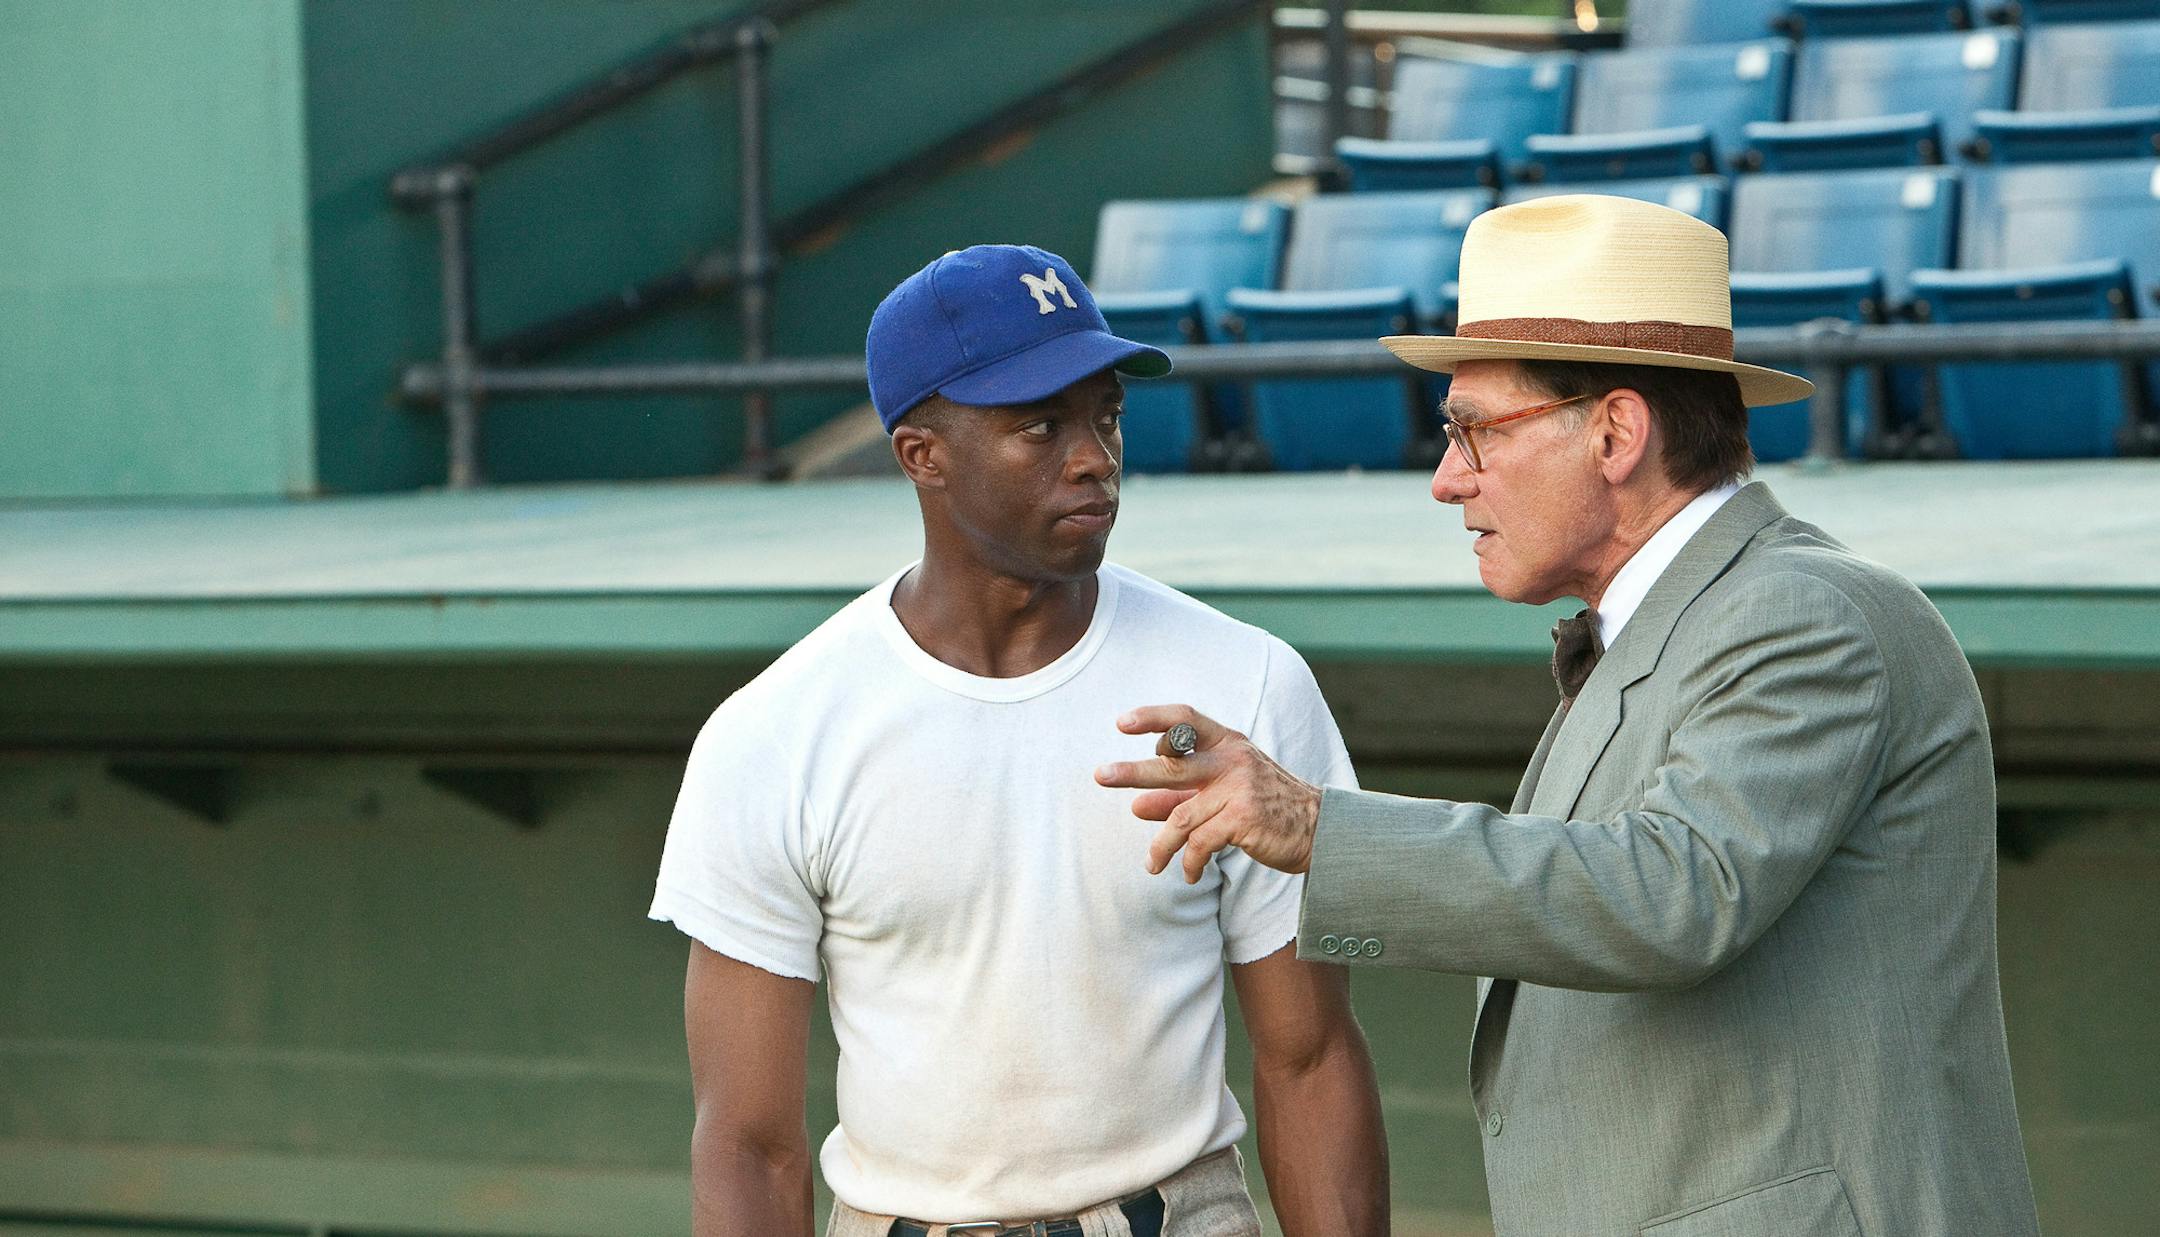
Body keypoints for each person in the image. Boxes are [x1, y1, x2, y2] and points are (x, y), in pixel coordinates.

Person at [1096, 196, 2041, 1236]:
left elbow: (1672, 893)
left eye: (1472, 430)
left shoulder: (1803, 610)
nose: (1446, 479)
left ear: (1616, 432)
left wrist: (1319, 827)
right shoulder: (1682, 619)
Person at [650, 243, 1388, 1237]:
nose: (1094, 456)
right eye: (1040, 427)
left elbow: (1310, 1058)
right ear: (923, 455)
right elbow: (747, 1142)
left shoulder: (1241, 682)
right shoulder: (778, 732)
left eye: (1106, 418)